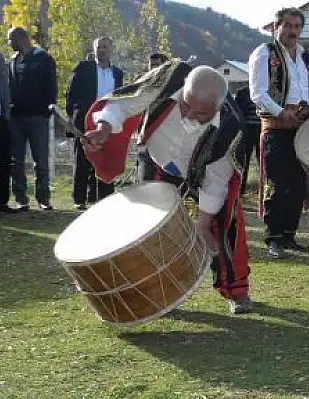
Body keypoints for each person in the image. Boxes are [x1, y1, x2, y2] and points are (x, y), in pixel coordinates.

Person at [81, 62, 254, 314]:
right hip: (158, 162)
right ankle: (156, 290)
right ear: (184, 89)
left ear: (217, 108)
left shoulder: (231, 128)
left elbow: (216, 184)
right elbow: (124, 102)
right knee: (150, 229)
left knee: (228, 225)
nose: (189, 116)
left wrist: (203, 224)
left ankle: (236, 290)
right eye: (185, 106)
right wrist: (104, 128)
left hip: (203, 172)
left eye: (201, 114)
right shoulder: (167, 78)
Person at [249, 7, 309, 259]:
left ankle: (289, 236)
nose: (293, 31)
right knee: (279, 182)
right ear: (276, 27)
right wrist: (281, 112)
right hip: (277, 126)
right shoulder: (264, 53)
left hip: (304, 125)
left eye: (296, 27)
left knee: (298, 184)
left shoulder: (305, 58)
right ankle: (274, 237)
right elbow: (258, 93)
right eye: (288, 26)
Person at [66, 36, 124, 210]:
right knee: (82, 159)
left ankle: (103, 198)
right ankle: (79, 199)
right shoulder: (83, 68)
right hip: (85, 119)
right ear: (94, 50)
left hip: (108, 121)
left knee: (105, 159)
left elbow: (120, 98)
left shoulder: (118, 73)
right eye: (99, 47)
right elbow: (70, 94)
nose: (102, 50)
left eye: (105, 47)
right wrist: (73, 117)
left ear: (111, 49)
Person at [7, 27, 57, 211]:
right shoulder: (12, 60)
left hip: (37, 117)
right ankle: (21, 199)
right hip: (16, 119)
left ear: (20, 38)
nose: (8, 44)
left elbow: (51, 86)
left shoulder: (43, 58)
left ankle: (43, 198)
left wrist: (47, 108)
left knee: (40, 161)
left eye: (9, 40)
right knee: (16, 161)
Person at [0, 50, 15, 214]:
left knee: (3, 160)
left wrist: (7, 112)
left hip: (1, 117)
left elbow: (4, 86)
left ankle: (2, 201)